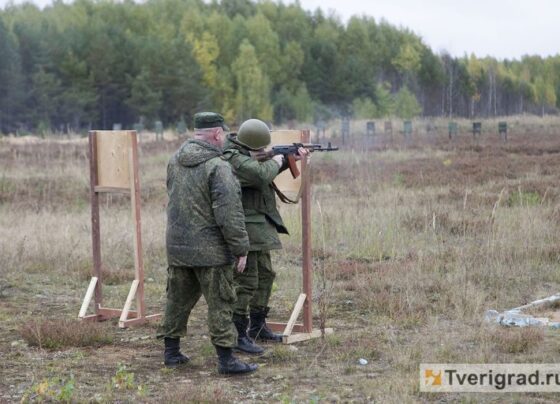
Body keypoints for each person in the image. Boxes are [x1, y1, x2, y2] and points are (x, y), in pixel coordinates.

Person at [157, 112, 257, 375]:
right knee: (222, 303)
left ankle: (171, 352)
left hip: (178, 247)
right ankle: (226, 360)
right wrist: (241, 249)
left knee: (176, 300)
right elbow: (230, 214)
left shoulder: (174, 160)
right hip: (211, 251)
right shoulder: (219, 167)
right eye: (223, 133)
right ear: (216, 134)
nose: (224, 137)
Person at [223, 118, 308, 354]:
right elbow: (258, 175)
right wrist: (279, 159)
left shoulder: (247, 156)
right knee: (247, 280)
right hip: (245, 226)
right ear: (250, 145)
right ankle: (239, 333)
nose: (263, 152)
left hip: (259, 224)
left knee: (266, 275)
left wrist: (288, 160)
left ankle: (257, 327)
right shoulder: (233, 158)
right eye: (260, 149)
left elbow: (262, 172)